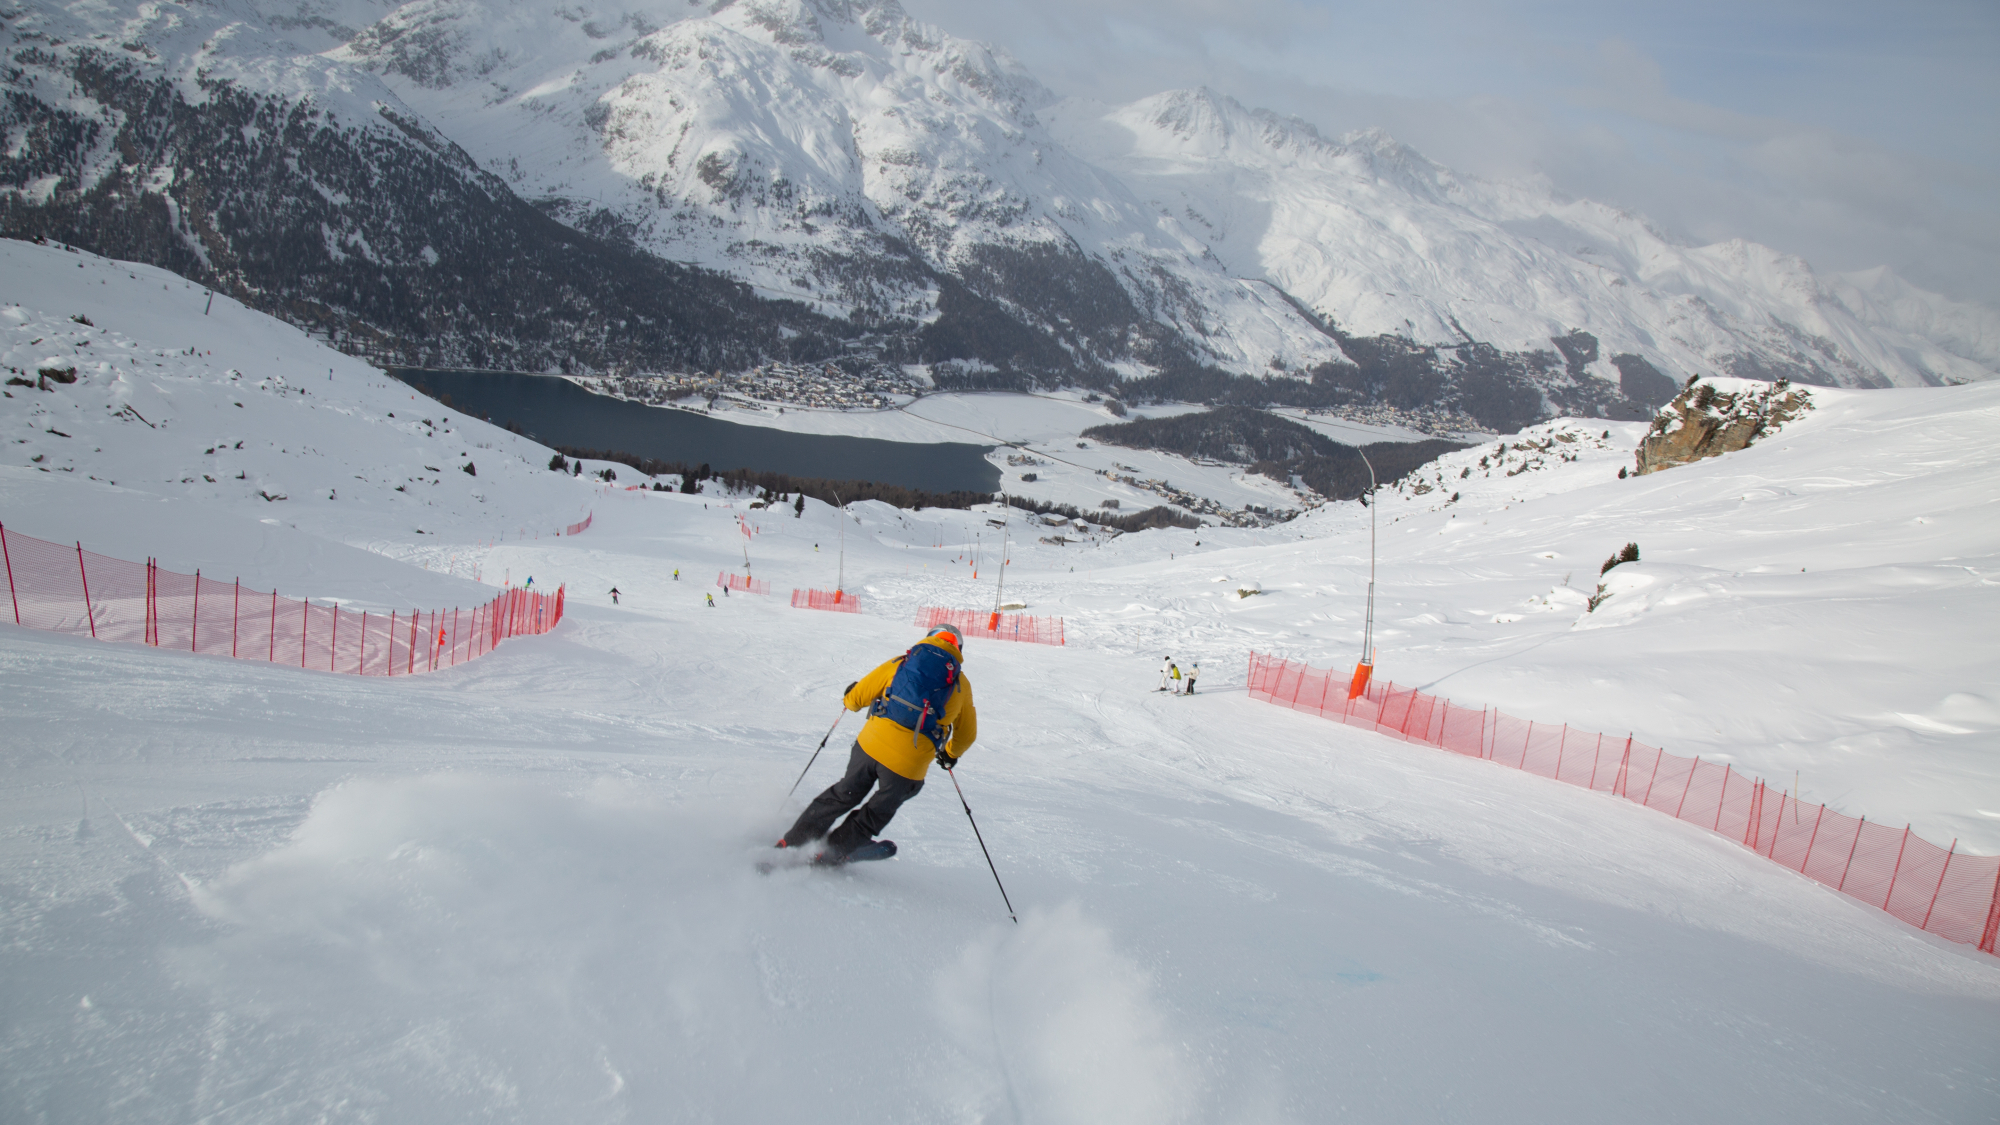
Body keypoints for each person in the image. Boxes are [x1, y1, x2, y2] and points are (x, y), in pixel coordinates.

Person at [779, 625, 978, 862]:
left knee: (844, 794)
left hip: (868, 749)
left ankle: (793, 841)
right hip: (907, 768)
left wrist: (849, 697)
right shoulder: (961, 684)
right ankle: (832, 851)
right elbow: (967, 735)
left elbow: (857, 698)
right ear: (958, 649)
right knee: (876, 812)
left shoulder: (901, 662)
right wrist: (950, 754)